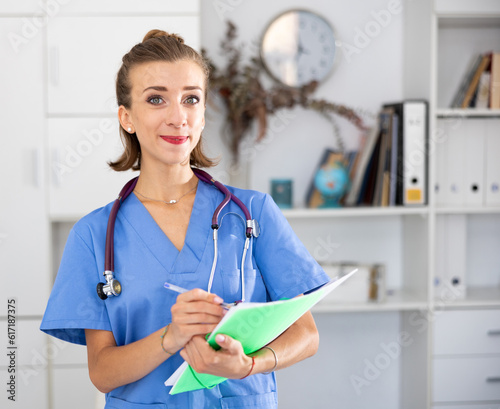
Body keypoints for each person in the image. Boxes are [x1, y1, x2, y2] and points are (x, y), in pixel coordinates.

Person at [40, 29, 329, 409]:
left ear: (204, 113)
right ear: (126, 117)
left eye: (191, 99)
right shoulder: (94, 236)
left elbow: (307, 335)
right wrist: (171, 337)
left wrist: (249, 365)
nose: (178, 117)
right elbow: (102, 372)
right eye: (156, 99)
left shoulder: (252, 214)